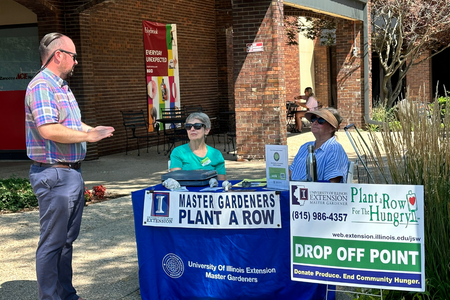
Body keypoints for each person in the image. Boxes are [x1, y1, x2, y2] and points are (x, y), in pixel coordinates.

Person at [25, 32, 115, 300]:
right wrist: (88, 136)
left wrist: (92, 129)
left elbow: (72, 125)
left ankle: (66, 295)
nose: (76, 62)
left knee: (65, 242)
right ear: (58, 56)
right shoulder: (42, 86)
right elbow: (49, 129)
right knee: (53, 243)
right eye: (74, 56)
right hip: (54, 174)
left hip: (70, 173)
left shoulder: (62, 86)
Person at [290, 107, 348, 183]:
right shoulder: (305, 147)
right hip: (293, 191)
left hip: (313, 193)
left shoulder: (334, 149)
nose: (315, 122)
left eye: (321, 120)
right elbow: (289, 174)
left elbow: (332, 186)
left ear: (332, 128)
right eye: (313, 119)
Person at [170, 112, 226, 180]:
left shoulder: (216, 154)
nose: (192, 129)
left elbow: (221, 183)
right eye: (188, 126)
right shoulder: (178, 152)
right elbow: (176, 180)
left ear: (206, 130)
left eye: (197, 126)